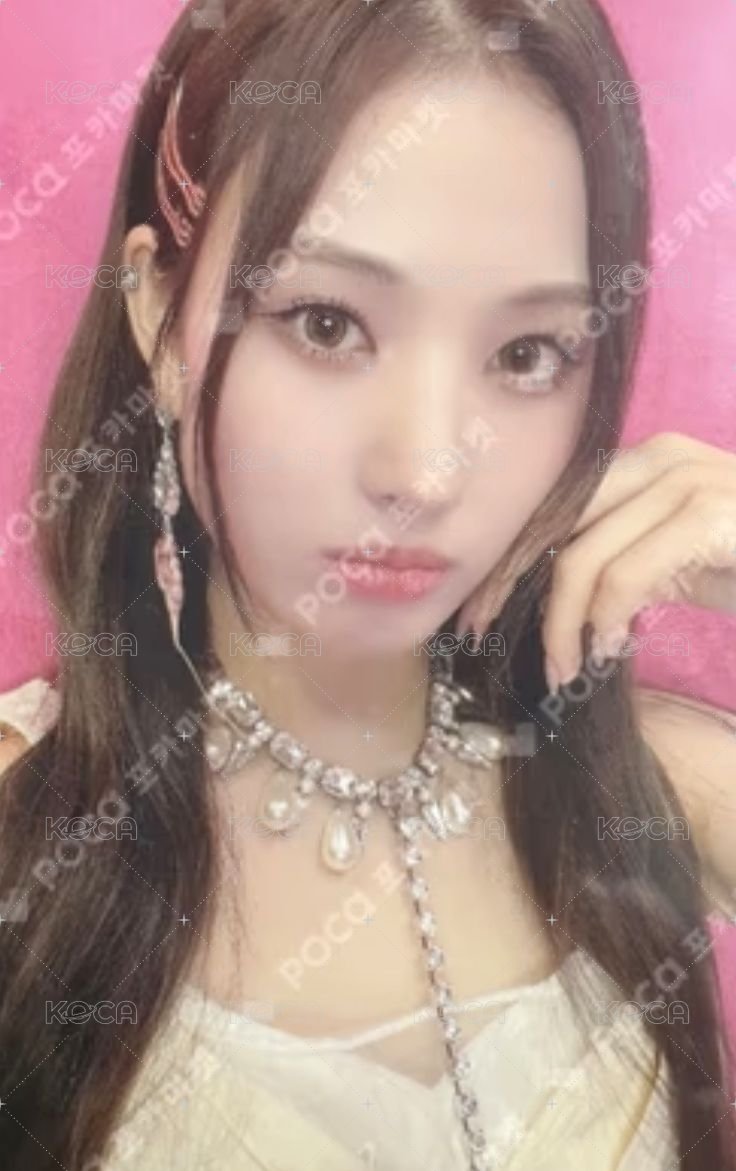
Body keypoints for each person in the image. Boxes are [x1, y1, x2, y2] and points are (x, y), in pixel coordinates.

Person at [1, 0, 735, 1168]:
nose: (426, 470)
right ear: (161, 316)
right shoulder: (28, 822)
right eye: (327, 323)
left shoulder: (649, 787)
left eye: (527, 353)